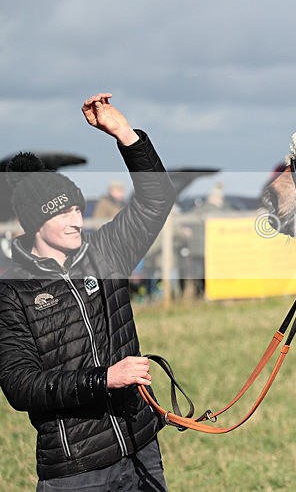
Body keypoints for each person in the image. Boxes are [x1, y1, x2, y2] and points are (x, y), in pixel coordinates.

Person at [0, 93, 176, 491]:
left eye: (77, 208)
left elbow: (156, 198)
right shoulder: (12, 292)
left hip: (139, 445)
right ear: (34, 221)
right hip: (76, 469)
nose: (75, 219)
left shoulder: (105, 253)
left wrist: (123, 133)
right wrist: (104, 379)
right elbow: (20, 384)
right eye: (62, 212)